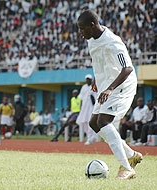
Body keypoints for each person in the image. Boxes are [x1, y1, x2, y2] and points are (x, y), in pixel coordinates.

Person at [77, 10, 142, 179]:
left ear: (92, 26)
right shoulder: (91, 39)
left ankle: (126, 167)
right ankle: (130, 154)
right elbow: (99, 61)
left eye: (82, 28)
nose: (80, 32)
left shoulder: (113, 42)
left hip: (122, 85)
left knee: (103, 121)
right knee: (94, 123)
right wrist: (98, 81)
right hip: (106, 84)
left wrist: (109, 88)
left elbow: (127, 68)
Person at [76, 74, 98, 145]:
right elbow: (81, 98)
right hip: (84, 108)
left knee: (90, 123)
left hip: (91, 108)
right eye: (87, 79)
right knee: (84, 122)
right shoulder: (83, 87)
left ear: (91, 80)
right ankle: (90, 137)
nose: (88, 80)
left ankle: (90, 138)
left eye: (89, 79)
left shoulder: (94, 87)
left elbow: (95, 98)